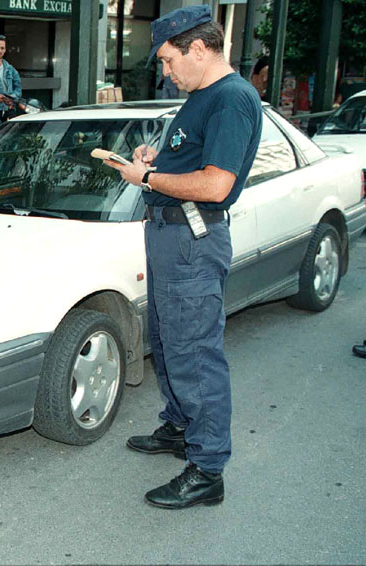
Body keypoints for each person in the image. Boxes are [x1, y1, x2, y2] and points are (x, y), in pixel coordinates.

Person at [104, 5, 262, 509]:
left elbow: (216, 184)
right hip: (171, 238)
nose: (166, 72)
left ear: (198, 48)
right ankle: (179, 426)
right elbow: (191, 159)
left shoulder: (232, 98)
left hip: (193, 240)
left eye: (170, 61)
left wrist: (145, 178)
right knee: (169, 340)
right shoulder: (200, 97)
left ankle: (207, 468)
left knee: (196, 352)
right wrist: (155, 158)